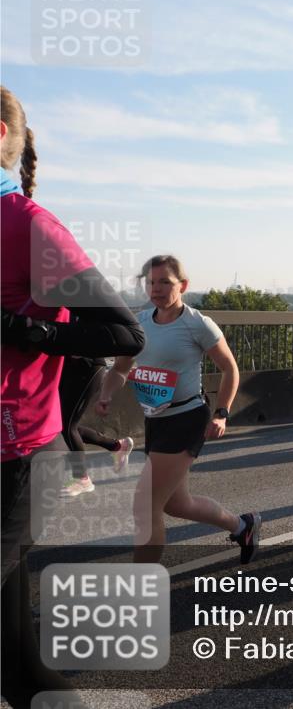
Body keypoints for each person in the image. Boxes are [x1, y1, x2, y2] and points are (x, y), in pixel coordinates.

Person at [1, 85, 146, 708]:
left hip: (18, 461)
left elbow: (122, 331)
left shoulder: (28, 226)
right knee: (19, 676)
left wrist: (18, 328)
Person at [97, 255, 261, 564]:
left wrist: (221, 413)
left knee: (145, 506)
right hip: (155, 420)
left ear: (182, 285)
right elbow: (120, 369)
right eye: (151, 282)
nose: (156, 289)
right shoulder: (140, 322)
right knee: (178, 504)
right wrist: (107, 393)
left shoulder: (197, 324)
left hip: (186, 418)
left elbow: (229, 369)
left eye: (165, 282)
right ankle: (243, 526)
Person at [58, 355, 135, 497]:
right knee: (63, 425)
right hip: (66, 367)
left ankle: (82, 479)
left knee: (67, 427)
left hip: (85, 366)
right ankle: (117, 446)